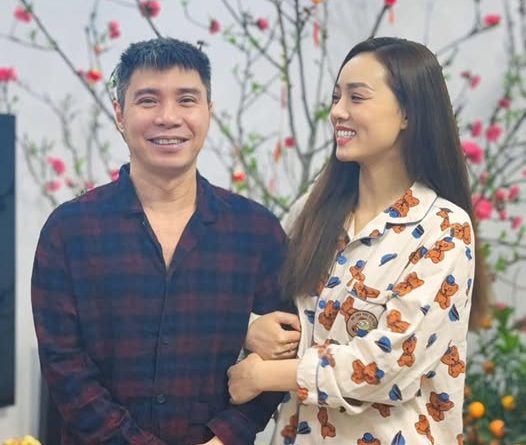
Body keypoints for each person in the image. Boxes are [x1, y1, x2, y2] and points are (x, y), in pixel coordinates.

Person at [31, 37, 296, 445]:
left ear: (208, 112)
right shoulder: (69, 231)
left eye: (186, 100)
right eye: (148, 100)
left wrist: (225, 437)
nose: (168, 117)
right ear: (119, 114)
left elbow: (281, 352)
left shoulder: (256, 231)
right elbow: (65, 369)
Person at [228, 37, 490, 444]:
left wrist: (265, 376)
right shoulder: (312, 211)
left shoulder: (444, 228)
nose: (338, 111)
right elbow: (266, 303)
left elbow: (391, 364)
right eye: (336, 97)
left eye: (357, 97)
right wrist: (250, 329)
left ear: (408, 113)